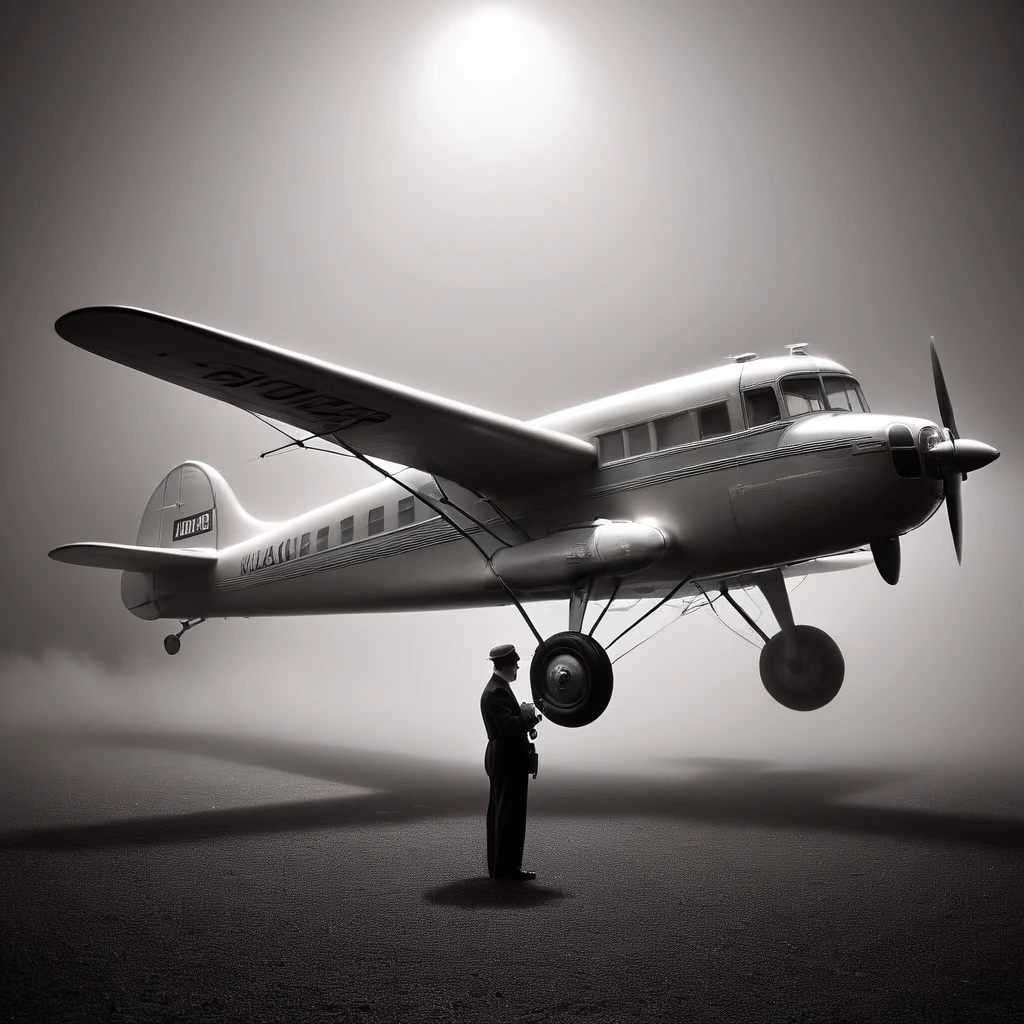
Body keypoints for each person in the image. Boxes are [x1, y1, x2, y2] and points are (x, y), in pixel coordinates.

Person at [480, 643, 541, 881]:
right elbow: (508, 729)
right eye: (515, 663)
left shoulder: (496, 688)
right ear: (507, 664)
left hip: (500, 758)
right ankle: (506, 870)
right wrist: (528, 719)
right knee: (509, 816)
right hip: (508, 760)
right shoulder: (498, 691)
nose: (517, 667)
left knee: (500, 814)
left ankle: (500, 868)